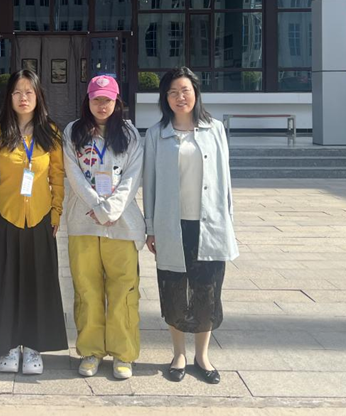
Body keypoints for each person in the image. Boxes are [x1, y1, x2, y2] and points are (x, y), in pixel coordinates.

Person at [143, 67, 238, 384]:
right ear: (165, 98)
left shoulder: (215, 130)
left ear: (196, 93)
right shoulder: (156, 134)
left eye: (185, 90)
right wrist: (150, 227)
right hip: (172, 224)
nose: (179, 97)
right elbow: (149, 183)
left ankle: (202, 355)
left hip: (209, 224)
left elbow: (225, 180)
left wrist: (228, 222)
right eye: (172, 92)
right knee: (173, 289)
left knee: (207, 291)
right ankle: (178, 354)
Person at [0, 69, 68, 375]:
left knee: (37, 284)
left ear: (38, 96)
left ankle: (33, 347)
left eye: (29, 92)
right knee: (6, 284)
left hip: (41, 218)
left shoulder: (50, 132)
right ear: (9, 97)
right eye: (17, 92)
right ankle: (7, 346)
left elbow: (57, 175)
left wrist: (56, 212)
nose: (23, 98)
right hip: (5, 217)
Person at [63, 75, 144, 380]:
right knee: (86, 289)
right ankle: (91, 350)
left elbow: (132, 177)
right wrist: (97, 206)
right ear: (87, 101)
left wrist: (110, 210)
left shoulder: (130, 134)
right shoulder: (73, 131)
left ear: (116, 101)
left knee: (124, 291)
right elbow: (73, 174)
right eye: (96, 99)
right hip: (83, 222)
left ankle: (124, 354)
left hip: (121, 225)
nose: (102, 105)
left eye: (107, 100)